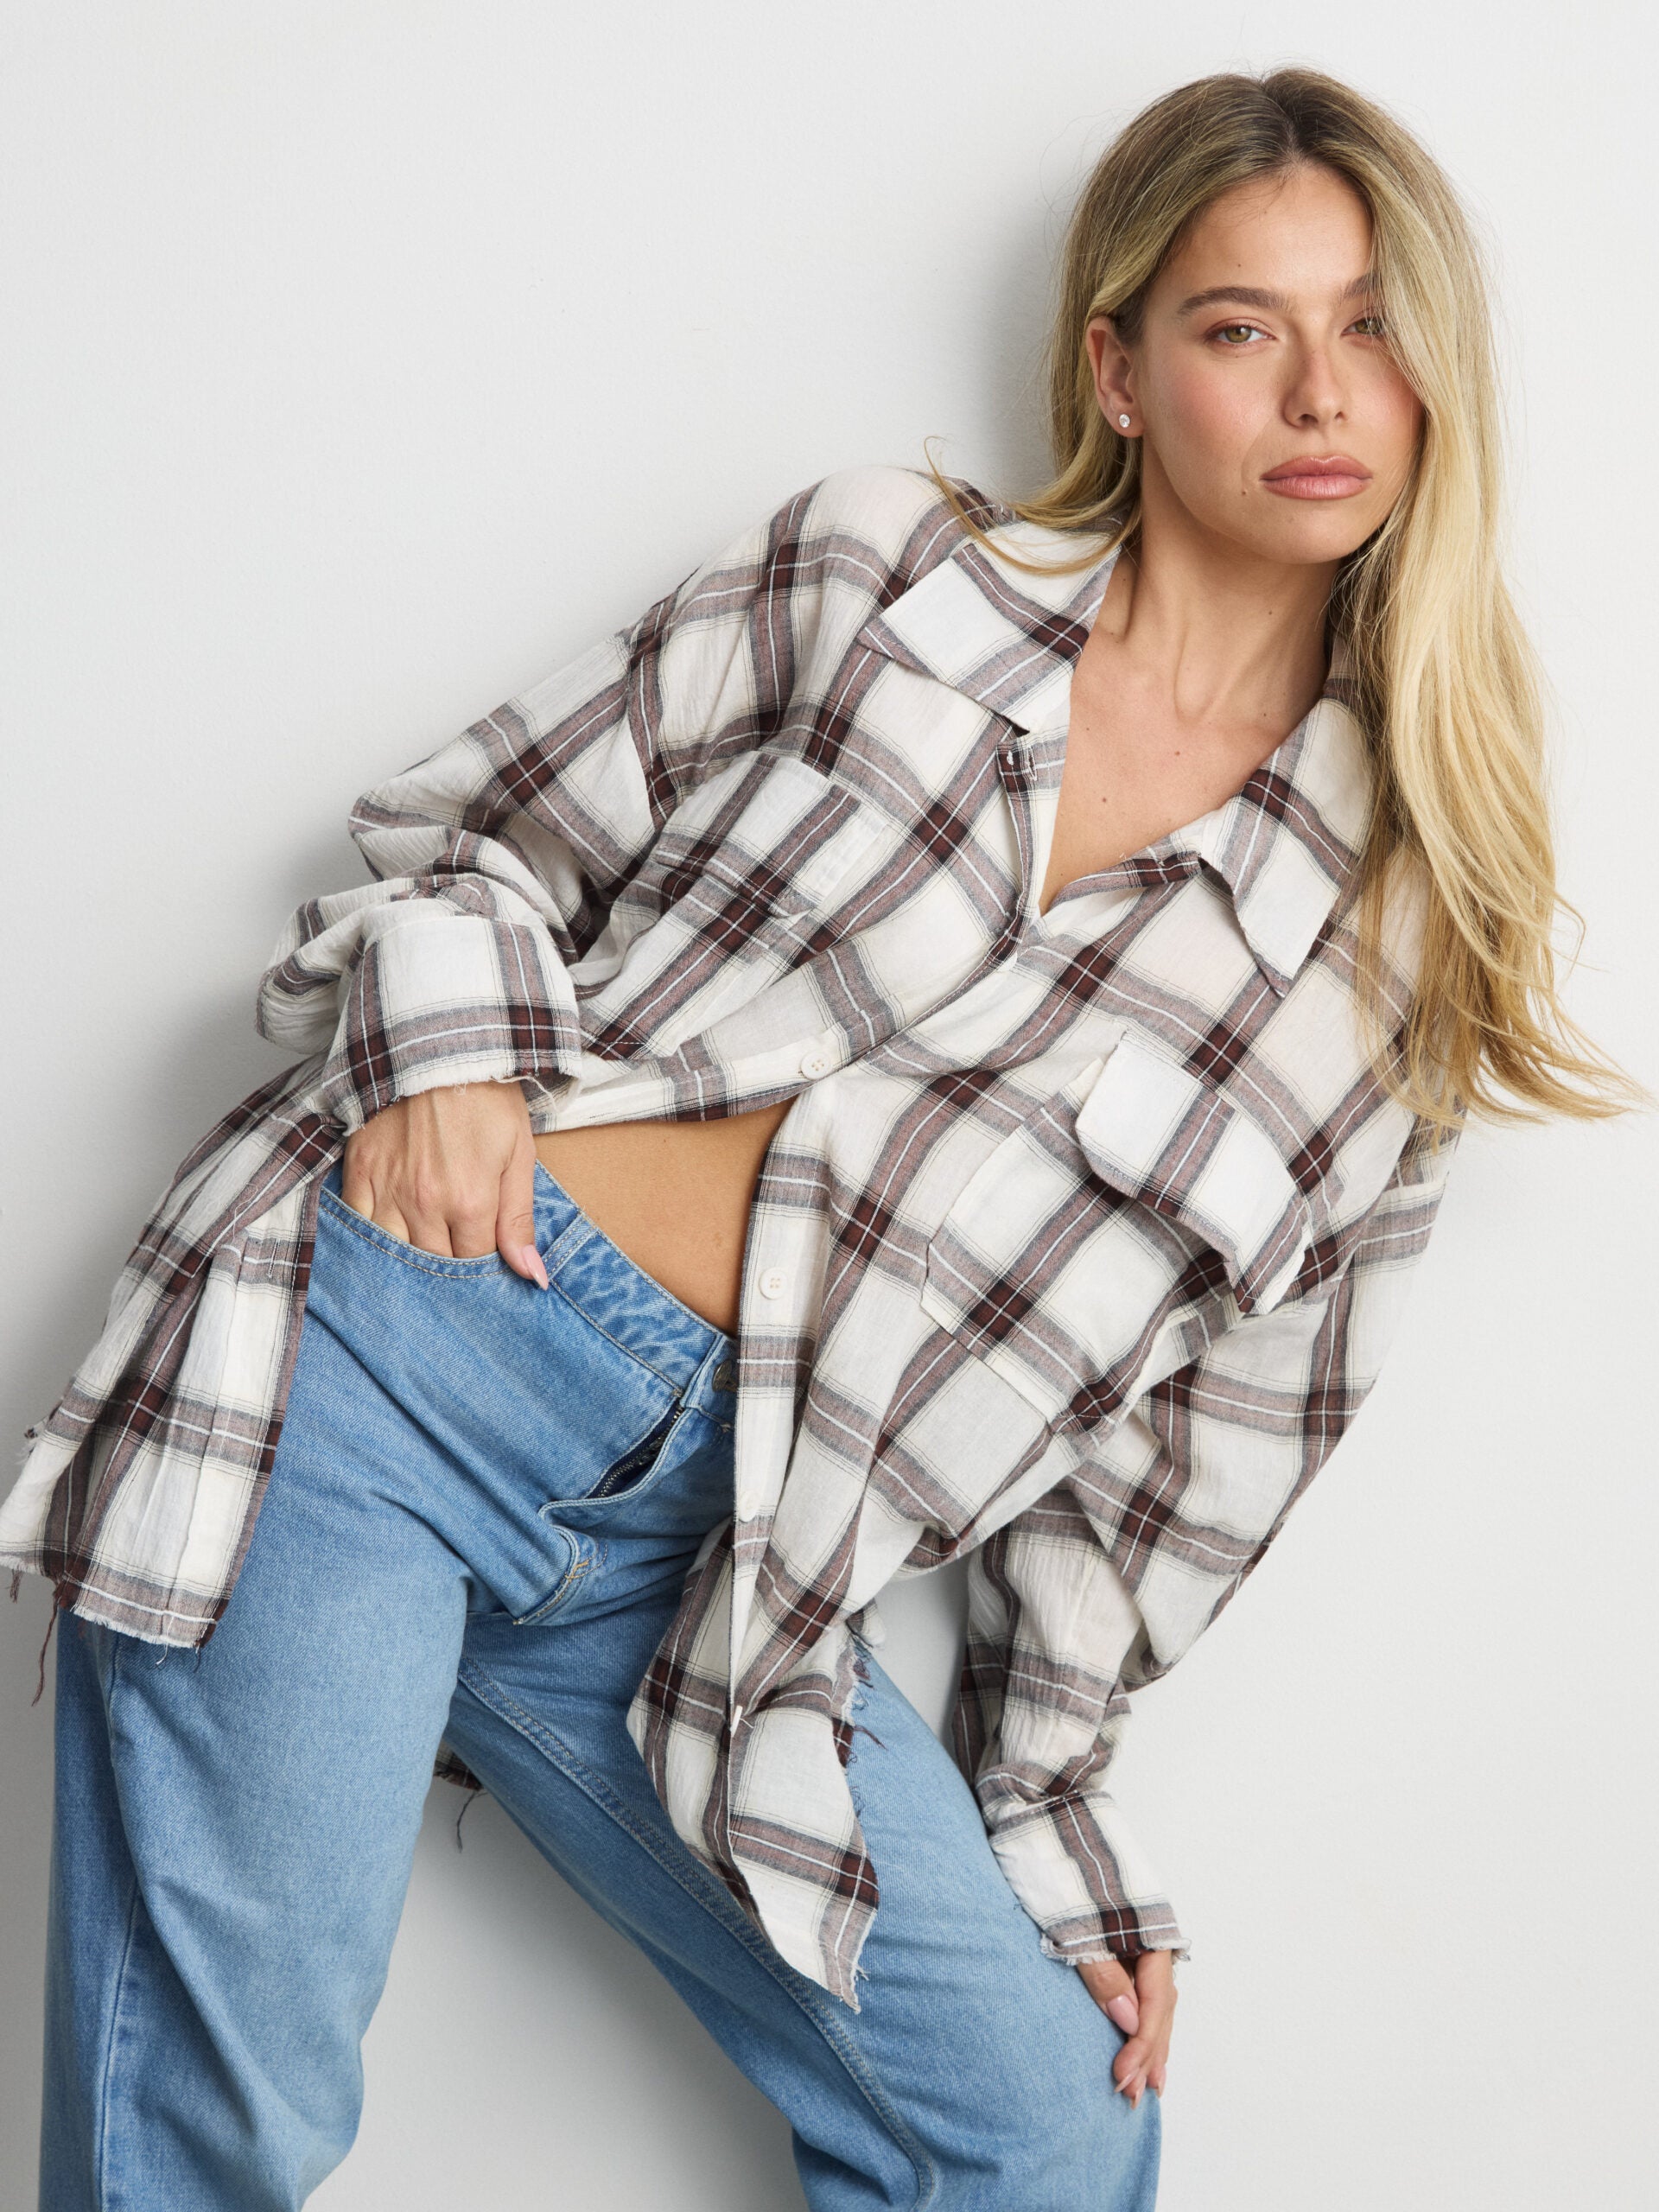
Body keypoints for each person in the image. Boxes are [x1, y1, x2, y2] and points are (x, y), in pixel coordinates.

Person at [4, 64, 1633, 2212]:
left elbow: (1176, 1483)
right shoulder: (880, 571)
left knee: (1039, 2130)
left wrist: (1047, 1809)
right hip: (402, 1354)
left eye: (1377, 329)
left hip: (732, 1567)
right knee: (217, 2132)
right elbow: (470, 835)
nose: (1323, 390)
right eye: (1244, 326)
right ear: (1121, 370)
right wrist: (449, 1066)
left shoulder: (1397, 964)